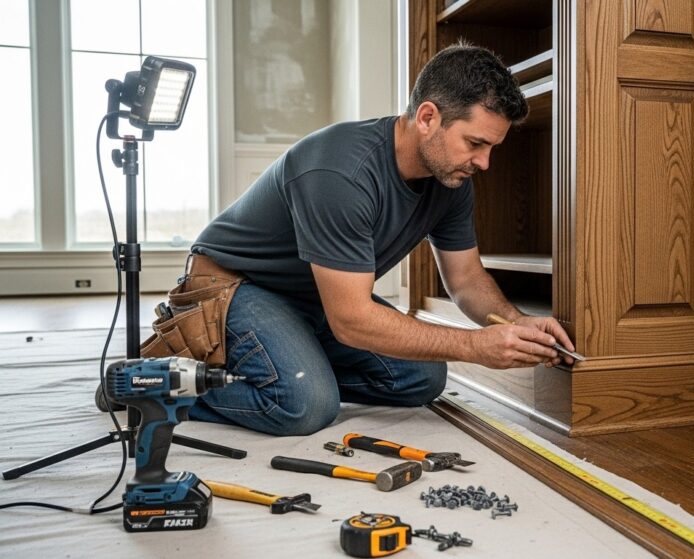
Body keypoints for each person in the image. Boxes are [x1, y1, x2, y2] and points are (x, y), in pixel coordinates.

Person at [180, 43, 576, 436]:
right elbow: (352, 320)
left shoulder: (451, 180)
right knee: (307, 405)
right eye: (475, 143)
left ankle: (290, 367)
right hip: (234, 287)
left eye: (492, 147)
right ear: (427, 117)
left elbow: (466, 280)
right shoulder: (340, 173)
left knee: (423, 378)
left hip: (315, 297)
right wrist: (475, 346)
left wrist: (518, 323)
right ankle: (167, 390)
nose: (484, 162)